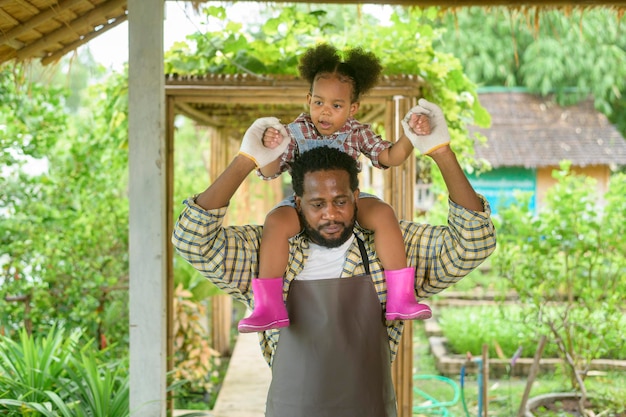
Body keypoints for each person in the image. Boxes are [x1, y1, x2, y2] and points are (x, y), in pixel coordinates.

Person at [171, 99, 497, 417]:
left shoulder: (392, 247)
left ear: (357, 197)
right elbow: (191, 240)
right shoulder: (267, 252)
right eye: (317, 204)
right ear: (297, 203)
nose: (330, 214)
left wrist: (441, 152)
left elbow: (473, 244)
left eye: (341, 201)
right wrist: (245, 160)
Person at [238, 43, 434, 333]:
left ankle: (400, 298)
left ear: (352, 108)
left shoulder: (358, 132)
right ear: (308, 99)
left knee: (382, 212)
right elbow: (269, 171)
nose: (325, 112)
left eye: (336, 106)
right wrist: (268, 146)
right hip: (302, 203)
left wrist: (411, 135)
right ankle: (269, 307)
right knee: (275, 222)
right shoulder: (293, 132)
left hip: (348, 201)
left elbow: (389, 157)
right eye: (318, 103)